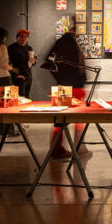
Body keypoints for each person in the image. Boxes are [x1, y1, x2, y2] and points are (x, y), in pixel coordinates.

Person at [46, 22, 88, 156]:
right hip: (72, 85)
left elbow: (49, 59)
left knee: (61, 119)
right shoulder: (66, 42)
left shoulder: (63, 42)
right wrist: (60, 76)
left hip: (66, 84)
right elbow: (49, 61)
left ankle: (58, 148)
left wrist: (58, 77)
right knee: (76, 118)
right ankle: (77, 147)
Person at [8, 29, 35, 98]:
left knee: (27, 97)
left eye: (25, 36)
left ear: (28, 38)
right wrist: (16, 74)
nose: (23, 38)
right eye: (21, 36)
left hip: (28, 76)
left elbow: (31, 63)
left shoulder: (29, 48)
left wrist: (34, 61)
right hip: (18, 77)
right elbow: (8, 63)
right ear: (17, 37)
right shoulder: (12, 47)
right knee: (20, 97)